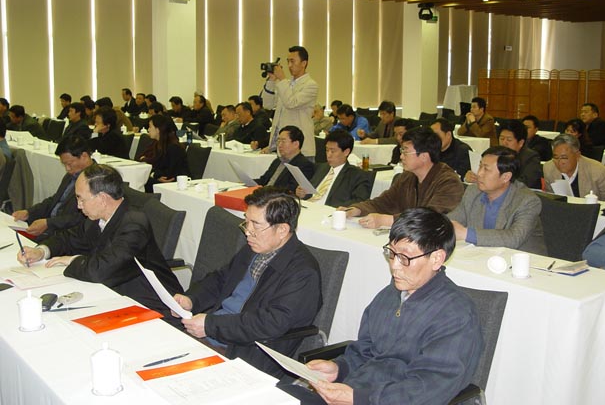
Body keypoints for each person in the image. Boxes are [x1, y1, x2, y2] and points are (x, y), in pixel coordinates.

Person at [280, 207, 483, 405]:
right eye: (391, 253)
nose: (394, 265)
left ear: (436, 259)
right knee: (276, 393)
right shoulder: (391, 294)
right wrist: (339, 368)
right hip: (358, 391)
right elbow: (366, 350)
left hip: (380, 399)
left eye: (405, 258)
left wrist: (359, 398)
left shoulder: (456, 315)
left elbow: (429, 389)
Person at [174, 187, 321, 377]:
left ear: (282, 230)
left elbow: (270, 323)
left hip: (244, 351)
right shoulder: (256, 248)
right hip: (216, 332)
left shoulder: (303, 273)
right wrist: (191, 299)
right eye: (247, 221)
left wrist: (211, 326)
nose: (248, 231)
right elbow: (220, 279)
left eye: (256, 225)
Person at [17, 164, 183, 323]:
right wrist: (41, 251)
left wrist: (73, 260)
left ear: (102, 198)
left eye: (81, 199)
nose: (78, 205)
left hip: (153, 304)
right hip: (115, 294)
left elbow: (100, 271)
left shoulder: (134, 224)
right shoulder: (97, 217)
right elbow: (69, 238)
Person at [344, 127, 464, 228]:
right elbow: (384, 202)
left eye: (406, 151)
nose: (401, 156)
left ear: (424, 156)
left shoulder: (449, 182)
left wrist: (386, 220)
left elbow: (430, 218)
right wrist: (357, 209)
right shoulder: (408, 176)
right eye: (401, 150)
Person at [448, 146, 547, 255]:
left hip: (523, 260)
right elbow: (452, 219)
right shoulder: (473, 192)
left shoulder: (527, 201)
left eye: (486, 169)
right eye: (480, 166)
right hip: (483, 256)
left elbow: (513, 238)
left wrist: (466, 234)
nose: (479, 173)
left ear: (505, 177)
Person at [11, 136, 91, 241]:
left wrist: (49, 223)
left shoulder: (96, 179)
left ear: (84, 156)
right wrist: (29, 212)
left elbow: (82, 218)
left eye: (69, 163)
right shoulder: (71, 175)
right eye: (64, 164)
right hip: (52, 226)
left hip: (66, 235)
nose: (67, 168)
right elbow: (55, 200)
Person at [262, 45, 318, 157]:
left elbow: (291, 103)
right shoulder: (285, 84)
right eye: (288, 61)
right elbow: (268, 104)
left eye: (292, 61)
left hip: (301, 149)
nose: (289, 65)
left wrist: (282, 79)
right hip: (283, 148)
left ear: (304, 63)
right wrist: (271, 81)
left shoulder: (311, 85)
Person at [295, 130, 372, 207]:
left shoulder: (356, 175)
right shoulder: (321, 167)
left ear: (346, 152)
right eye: (327, 150)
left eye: (333, 151)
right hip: (309, 207)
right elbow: (311, 193)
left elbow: (359, 201)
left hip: (329, 211)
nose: (328, 155)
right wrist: (303, 193)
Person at [543, 134, 605, 201]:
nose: (559, 162)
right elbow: (550, 199)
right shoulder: (548, 168)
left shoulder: (599, 172)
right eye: (556, 157)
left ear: (577, 155)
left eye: (564, 157)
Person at [255, 126, 314, 193]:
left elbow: (291, 190)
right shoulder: (277, 161)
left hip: (275, 196)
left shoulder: (304, 165)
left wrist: (266, 191)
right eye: (278, 141)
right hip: (264, 193)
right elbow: (263, 180)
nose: (279, 145)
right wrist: (247, 183)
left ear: (296, 144)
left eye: (283, 141)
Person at [138, 114, 188, 193]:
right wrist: (154, 173)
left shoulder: (173, 147)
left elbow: (169, 174)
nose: (148, 130)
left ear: (158, 130)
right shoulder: (156, 143)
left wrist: (153, 174)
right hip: (160, 179)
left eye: (150, 127)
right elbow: (142, 159)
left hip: (175, 184)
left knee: (140, 181)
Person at [497, 120, 542, 189]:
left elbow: (524, 183)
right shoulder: (495, 155)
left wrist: (498, 183)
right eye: (502, 138)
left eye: (509, 140)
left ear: (521, 143)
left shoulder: (531, 158)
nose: (504, 143)